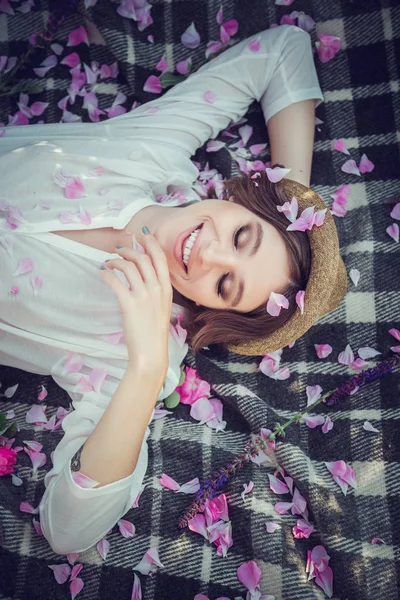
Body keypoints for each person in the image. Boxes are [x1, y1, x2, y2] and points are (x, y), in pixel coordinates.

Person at [0, 24, 346, 554]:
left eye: (226, 283)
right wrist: (292, 196)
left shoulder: (142, 349)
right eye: (242, 234)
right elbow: (283, 50)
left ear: (215, 310)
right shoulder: (155, 151)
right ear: (242, 201)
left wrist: (141, 368)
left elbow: (67, 530)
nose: (208, 253)